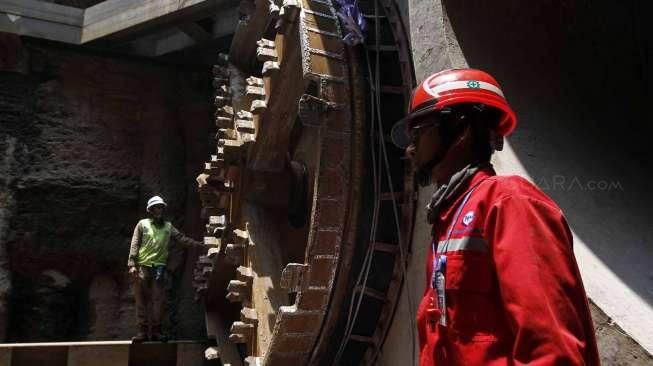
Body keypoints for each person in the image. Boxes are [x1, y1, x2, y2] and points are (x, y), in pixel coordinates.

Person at [390, 69, 600, 365]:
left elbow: (551, 350)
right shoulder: (447, 220)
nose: (411, 149)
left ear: (459, 130)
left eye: (419, 131)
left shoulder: (509, 203)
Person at [127, 195, 204, 342]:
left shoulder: (168, 227)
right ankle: (142, 332)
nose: (159, 209)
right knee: (141, 299)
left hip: (159, 269)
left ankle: (156, 332)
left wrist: (199, 245)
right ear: (150, 210)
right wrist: (131, 264)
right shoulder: (142, 224)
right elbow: (135, 243)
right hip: (142, 267)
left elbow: (182, 239)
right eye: (156, 207)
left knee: (158, 301)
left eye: (161, 207)